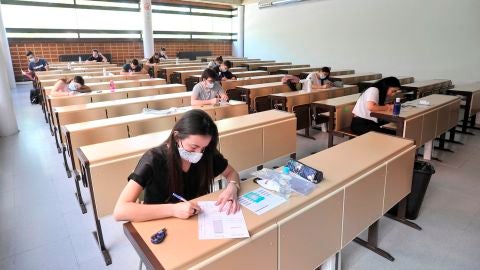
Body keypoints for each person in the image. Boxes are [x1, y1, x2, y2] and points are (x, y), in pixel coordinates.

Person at [113, 109, 241, 222]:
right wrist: (173, 210)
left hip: (195, 219)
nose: (199, 153)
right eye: (194, 146)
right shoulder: (153, 159)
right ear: (176, 137)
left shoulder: (207, 154)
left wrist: (232, 187)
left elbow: (231, 173)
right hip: (160, 222)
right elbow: (120, 211)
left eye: (203, 148)